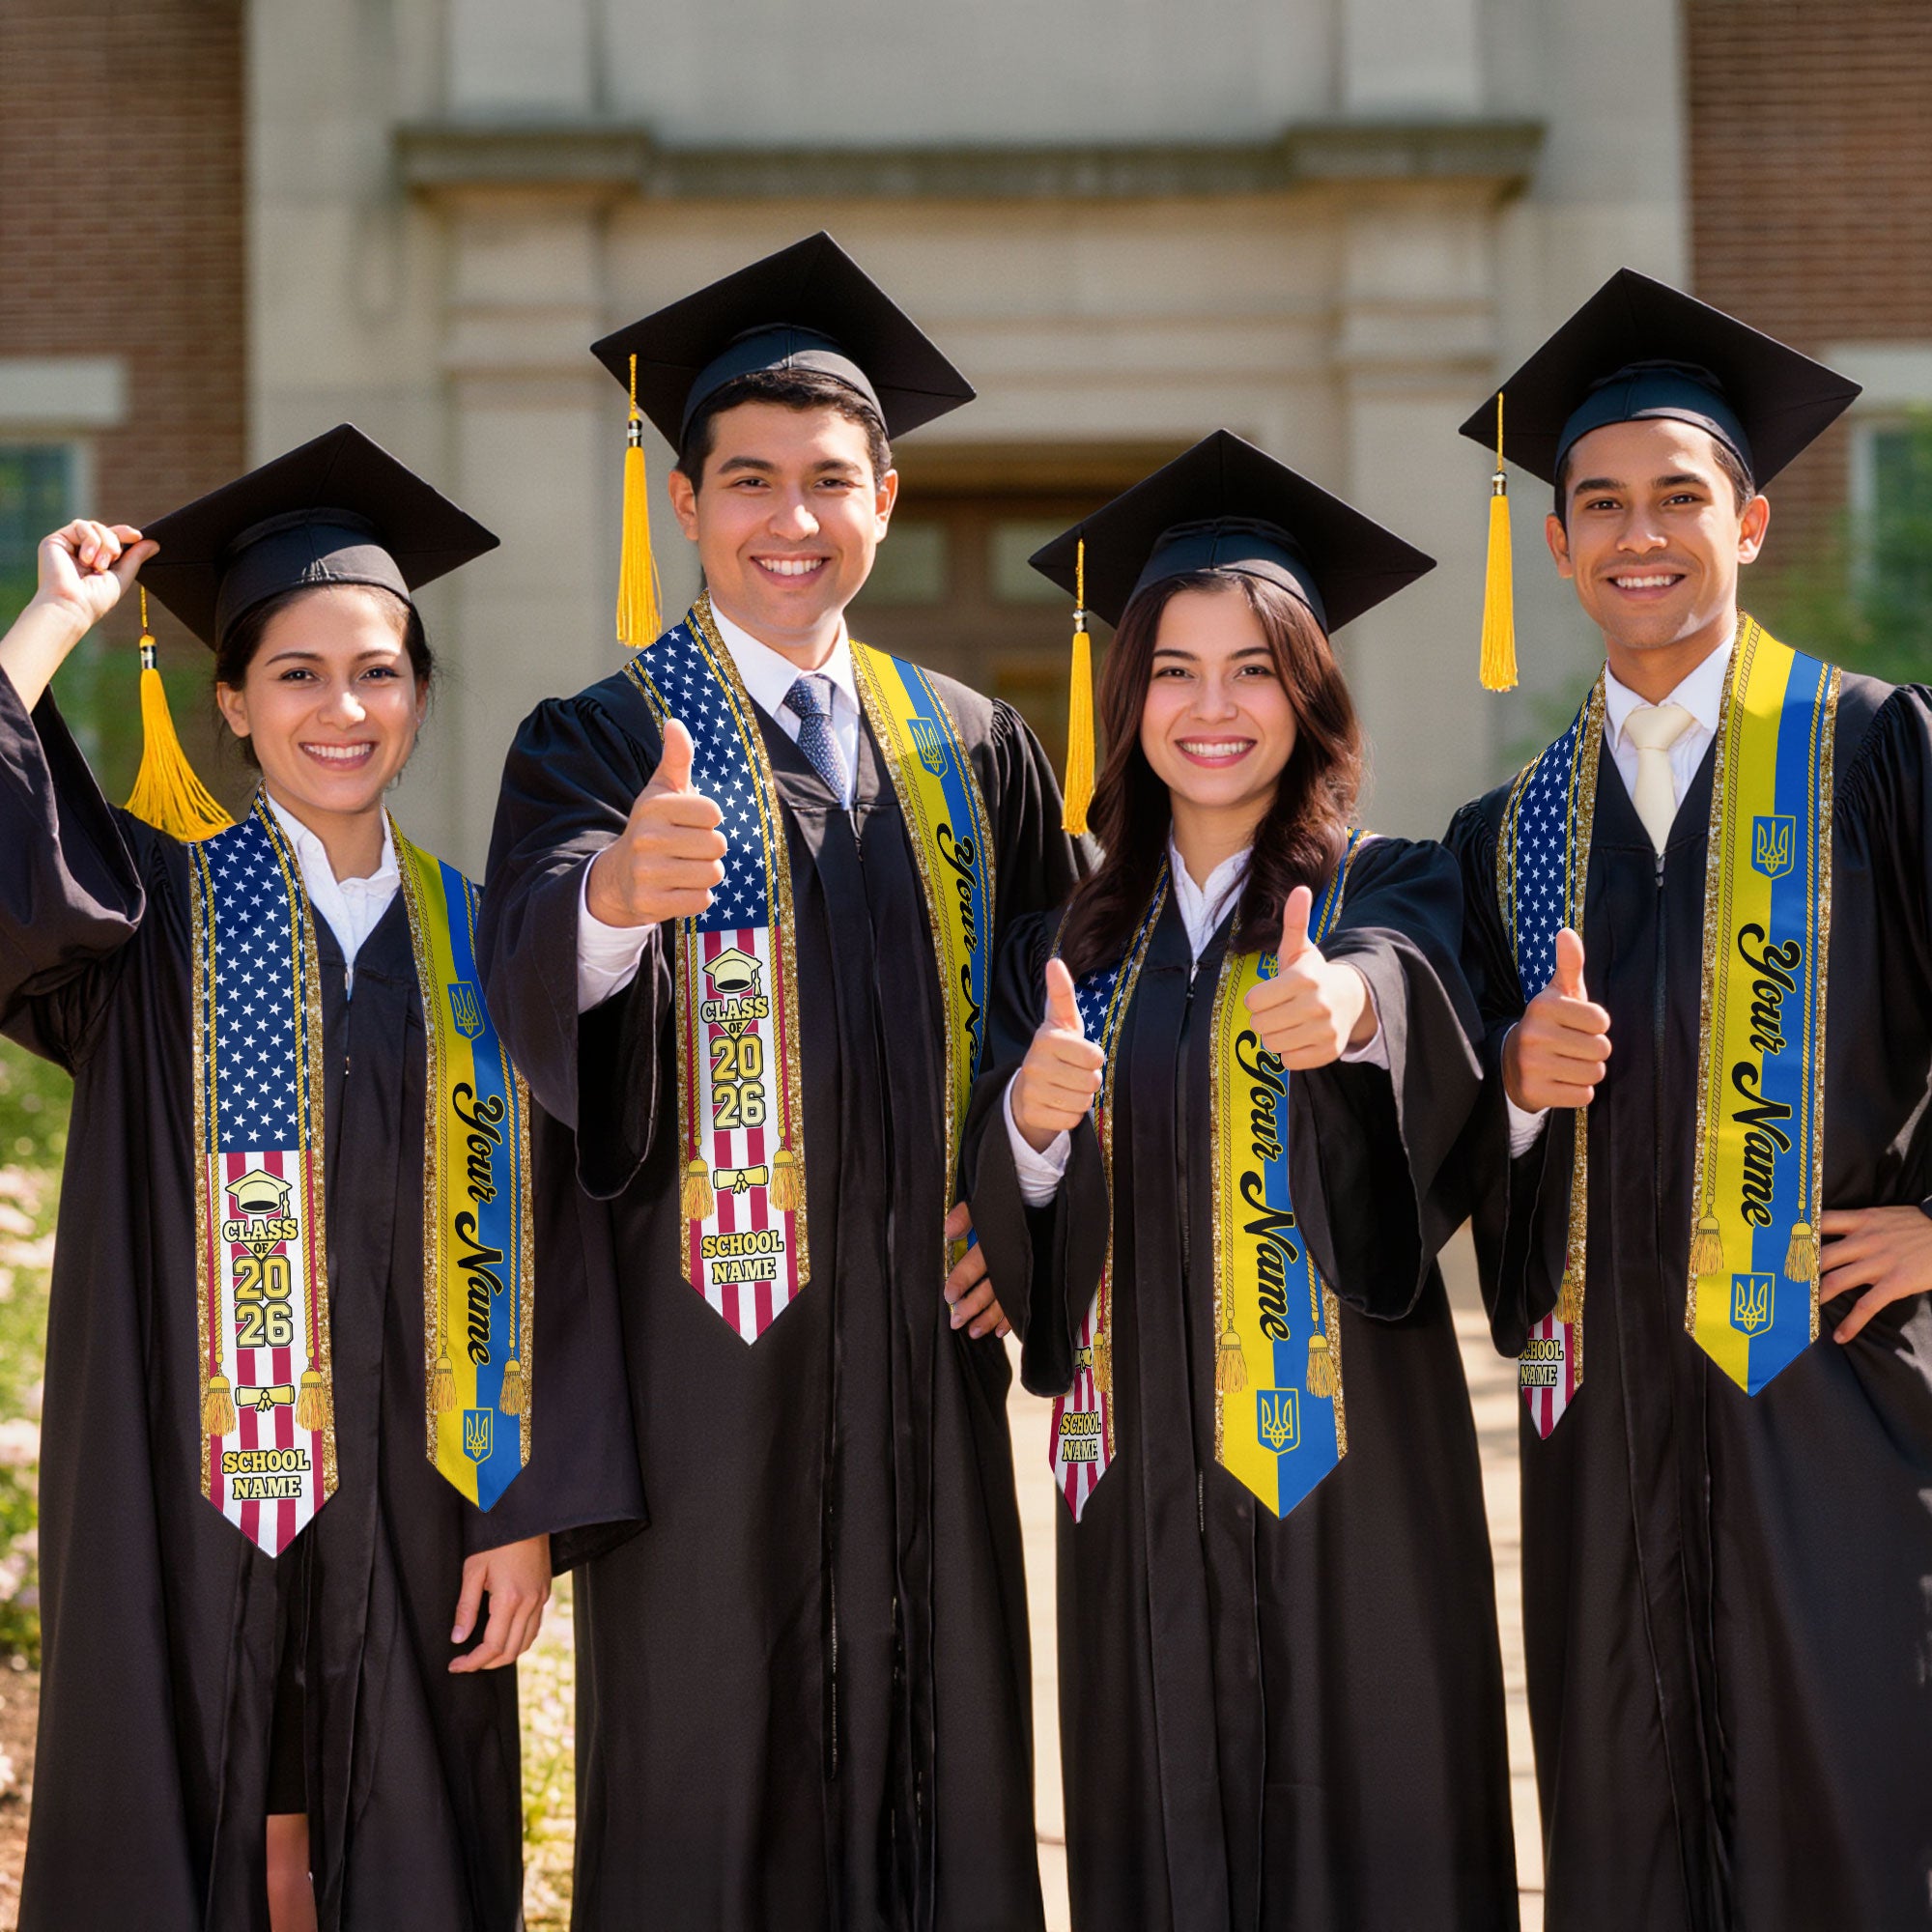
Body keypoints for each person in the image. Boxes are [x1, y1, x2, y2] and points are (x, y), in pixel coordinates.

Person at [478, 233, 1084, 1931]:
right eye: (749, 481)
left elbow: (1071, 1010)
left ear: (886, 497)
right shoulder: (598, 739)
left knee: (943, 1763)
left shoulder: (974, 744)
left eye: (831, 481)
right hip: (706, 1373)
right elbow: (528, 969)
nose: (791, 520)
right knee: (709, 1779)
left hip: (925, 1362)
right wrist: (609, 900)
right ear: (685, 503)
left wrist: (1022, 1203)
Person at [0, 425, 641, 1932]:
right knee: (193, 1803)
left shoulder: (496, 940)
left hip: (429, 1496)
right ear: (231, 701)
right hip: (185, 1479)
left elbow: (567, 1234)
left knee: (407, 1832)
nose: (341, 708)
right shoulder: (144, 915)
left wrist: (527, 1508)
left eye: (378, 671)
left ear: (419, 694)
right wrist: (51, 624)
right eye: (295, 673)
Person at [963, 431, 1518, 1930]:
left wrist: (1350, 1014)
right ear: (1127, 696)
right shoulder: (1062, 945)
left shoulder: (1387, 885)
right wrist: (1026, 1120)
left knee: (1377, 1826)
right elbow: (1010, 1207)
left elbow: (1416, 991)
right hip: (1133, 1474)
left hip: (1353, 1474)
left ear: (1311, 692)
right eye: (1175, 670)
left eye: (1256, 668)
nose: (1214, 709)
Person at [1446, 270, 1932, 1931]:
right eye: (1599, 504)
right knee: (1624, 1825)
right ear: (1562, 543)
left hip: (1836, 1400)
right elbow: (1450, 1142)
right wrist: (1511, 1090)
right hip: (1603, 1425)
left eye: (1678, 497)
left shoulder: (1876, 753)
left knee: (1854, 1811)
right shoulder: (1508, 833)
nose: (1637, 533)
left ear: (1752, 520)